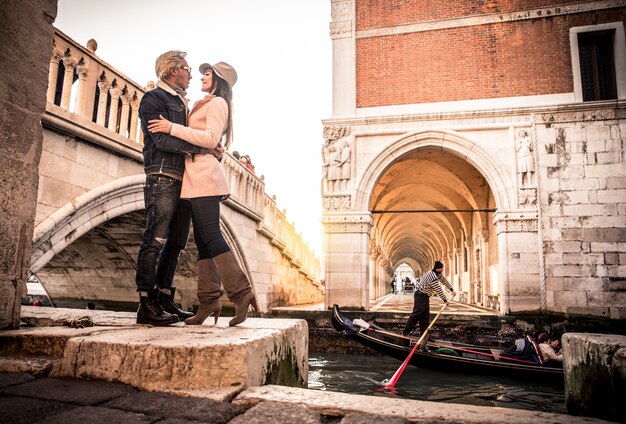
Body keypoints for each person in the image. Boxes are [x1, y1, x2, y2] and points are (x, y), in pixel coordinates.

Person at [148, 61, 258, 327]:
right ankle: (209, 300)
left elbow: (209, 139)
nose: (202, 77)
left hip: (205, 175)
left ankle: (242, 293)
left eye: (208, 74)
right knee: (203, 240)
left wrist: (170, 128)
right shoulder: (205, 102)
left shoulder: (218, 103)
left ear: (219, 80)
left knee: (211, 234)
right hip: (196, 175)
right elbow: (208, 142)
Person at [135, 50, 208, 326]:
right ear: (171, 70)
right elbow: (162, 140)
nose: (191, 74)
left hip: (184, 178)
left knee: (177, 242)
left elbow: (181, 134)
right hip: (163, 174)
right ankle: (147, 302)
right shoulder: (153, 99)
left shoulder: (182, 103)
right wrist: (200, 147)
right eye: (187, 68)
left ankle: (164, 297)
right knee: (155, 238)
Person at [401, 261, 456, 336]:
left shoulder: (438, 274)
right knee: (417, 314)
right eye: (442, 268)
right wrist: (445, 300)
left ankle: (424, 335)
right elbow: (438, 289)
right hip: (420, 295)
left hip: (425, 297)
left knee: (425, 317)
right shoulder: (432, 276)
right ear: (438, 268)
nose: (443, 269)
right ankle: (405, 332)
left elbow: (444, 281)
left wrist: (451, 289)